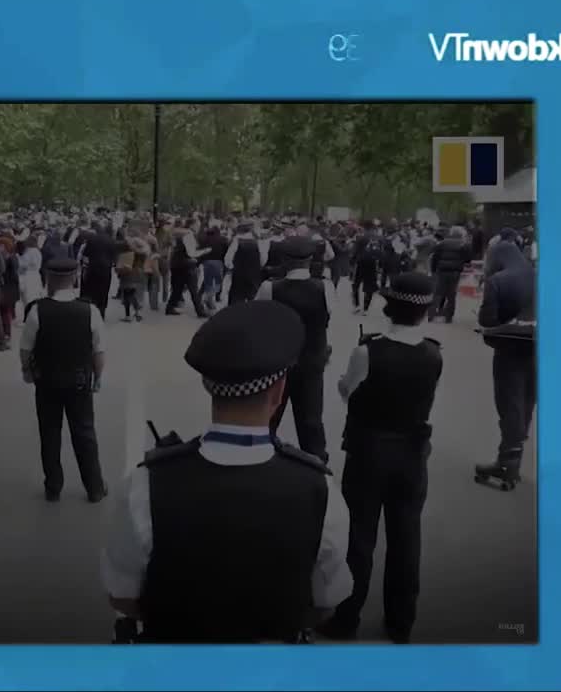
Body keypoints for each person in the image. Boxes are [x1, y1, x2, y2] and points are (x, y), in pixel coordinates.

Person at [100, 300, 351, 642]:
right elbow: (325, 604)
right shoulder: (320, 490)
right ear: (278, 392)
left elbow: (123, 597)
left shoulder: (145, 484)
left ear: (208, 385)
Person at [320, 272, 443, 644]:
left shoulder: (367, 350)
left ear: (389, 306)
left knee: (360, 537)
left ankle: (346, 619)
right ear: (425, 311)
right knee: (407, 537)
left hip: (369, 452)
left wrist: (349, 378)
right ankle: (401, 621)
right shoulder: (434, 352)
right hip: (412, 454)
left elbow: (347, 392)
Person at [20, 257, 109, 503]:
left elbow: (26, 348)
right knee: (85, 433)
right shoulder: (89, 310)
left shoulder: (37, 310)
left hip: (46, 382)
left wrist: (26, 371)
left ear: (48, 278)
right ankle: (94, 487)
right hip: (80, 382)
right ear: (75, 276)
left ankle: (53, 487)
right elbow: (98, 351)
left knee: (49, 433)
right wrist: (98, 377)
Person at [257, 236, 332, 464]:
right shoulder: (325, 288)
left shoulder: (269, 287)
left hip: (277, 362)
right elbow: (329, 320)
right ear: (310, 259)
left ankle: (261, 460)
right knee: (310, 421)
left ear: (284, 260)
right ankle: (317, 467)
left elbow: (259, 322)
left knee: (268, 416)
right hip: (311, 362)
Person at [473, 240, 537, 487]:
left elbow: (487, 322)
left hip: (509, 351)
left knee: (509, 404)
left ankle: (506, 463)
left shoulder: (498, 281)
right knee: (527, 402)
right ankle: (514, 459)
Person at [165, 219, 210, 318]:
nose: (199, 227)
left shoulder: (180, 234)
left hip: (177, 265)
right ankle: (200, 311)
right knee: (193, 289)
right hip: (187, 265)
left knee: (177, 288)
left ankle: (169, 308)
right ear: (192, 225)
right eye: (197, 225)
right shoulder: (189, 235)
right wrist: (204, 251)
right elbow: (191, 253)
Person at [428, 227, 472, 322]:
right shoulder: (464, 244)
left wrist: (433, 269)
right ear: (461, 235)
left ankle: (431, 315)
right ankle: (449, 317)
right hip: (455, 272)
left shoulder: (443, 243)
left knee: (438, 293)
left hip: (442, 271)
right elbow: (468, 259)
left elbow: (435, 257)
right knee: (451, 295)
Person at [224, 221, 266, 305]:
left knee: (236, 298)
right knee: (253, 298)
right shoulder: (258, 242)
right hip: (254, 275)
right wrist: (258, 267)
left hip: (239, 275)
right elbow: (263, 259)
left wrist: (232, 267)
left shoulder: (236, 241)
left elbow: (228, 258)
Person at [351, 226, 385, 315]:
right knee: (369, 286)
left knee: (356, 284)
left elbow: (355, 251)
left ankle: (357, 305)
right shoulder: (379, 238)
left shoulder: (361, 238)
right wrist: (381, 265)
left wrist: (352, 262)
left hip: (361, 263)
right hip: (373, 264)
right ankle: (365, 308)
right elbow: (381, 252)